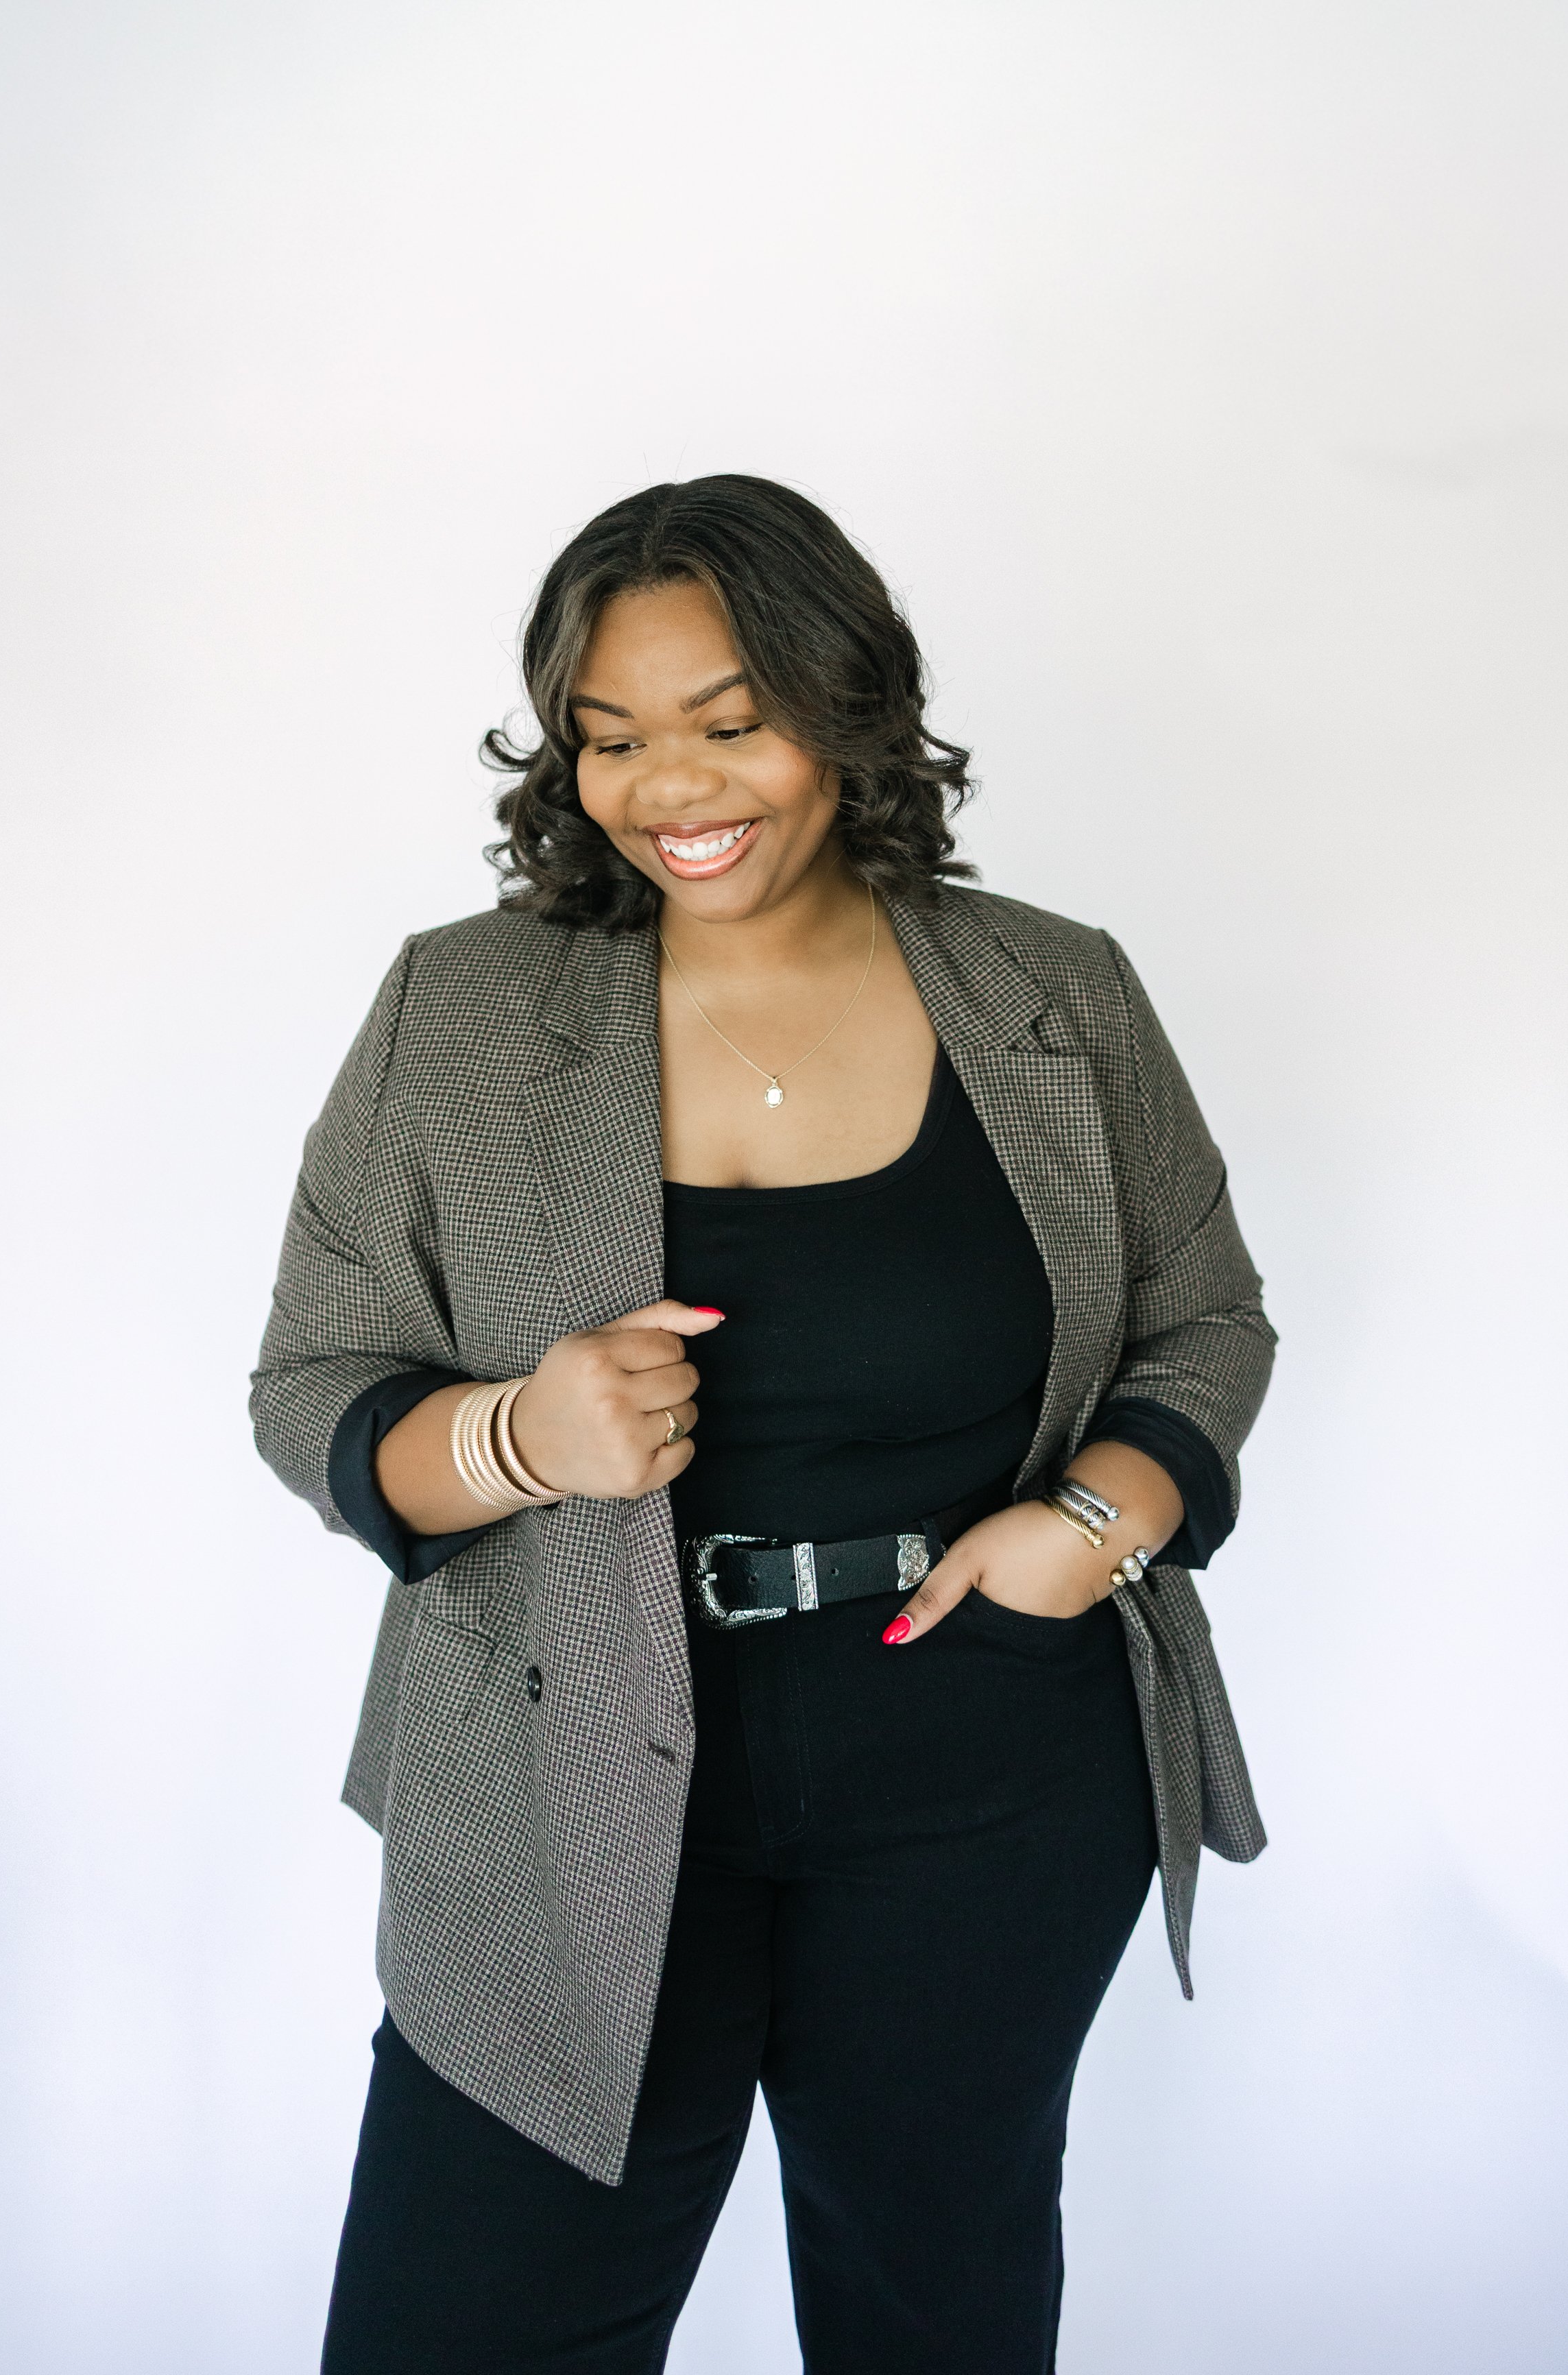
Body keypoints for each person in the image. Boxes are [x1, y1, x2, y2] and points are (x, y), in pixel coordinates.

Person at [250, 474, 1275, 2374]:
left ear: (847, 705)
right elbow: (311, 1383)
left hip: (990, 1786)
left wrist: (1101, 1525)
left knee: (934, 2319)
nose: (675, 789)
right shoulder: (460, 1013)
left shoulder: (1057, 990)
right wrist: (516, 1441)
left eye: (732, 723)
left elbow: (1204, 1321)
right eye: (614, 737)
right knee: (463, 2327)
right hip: (565, 1786)